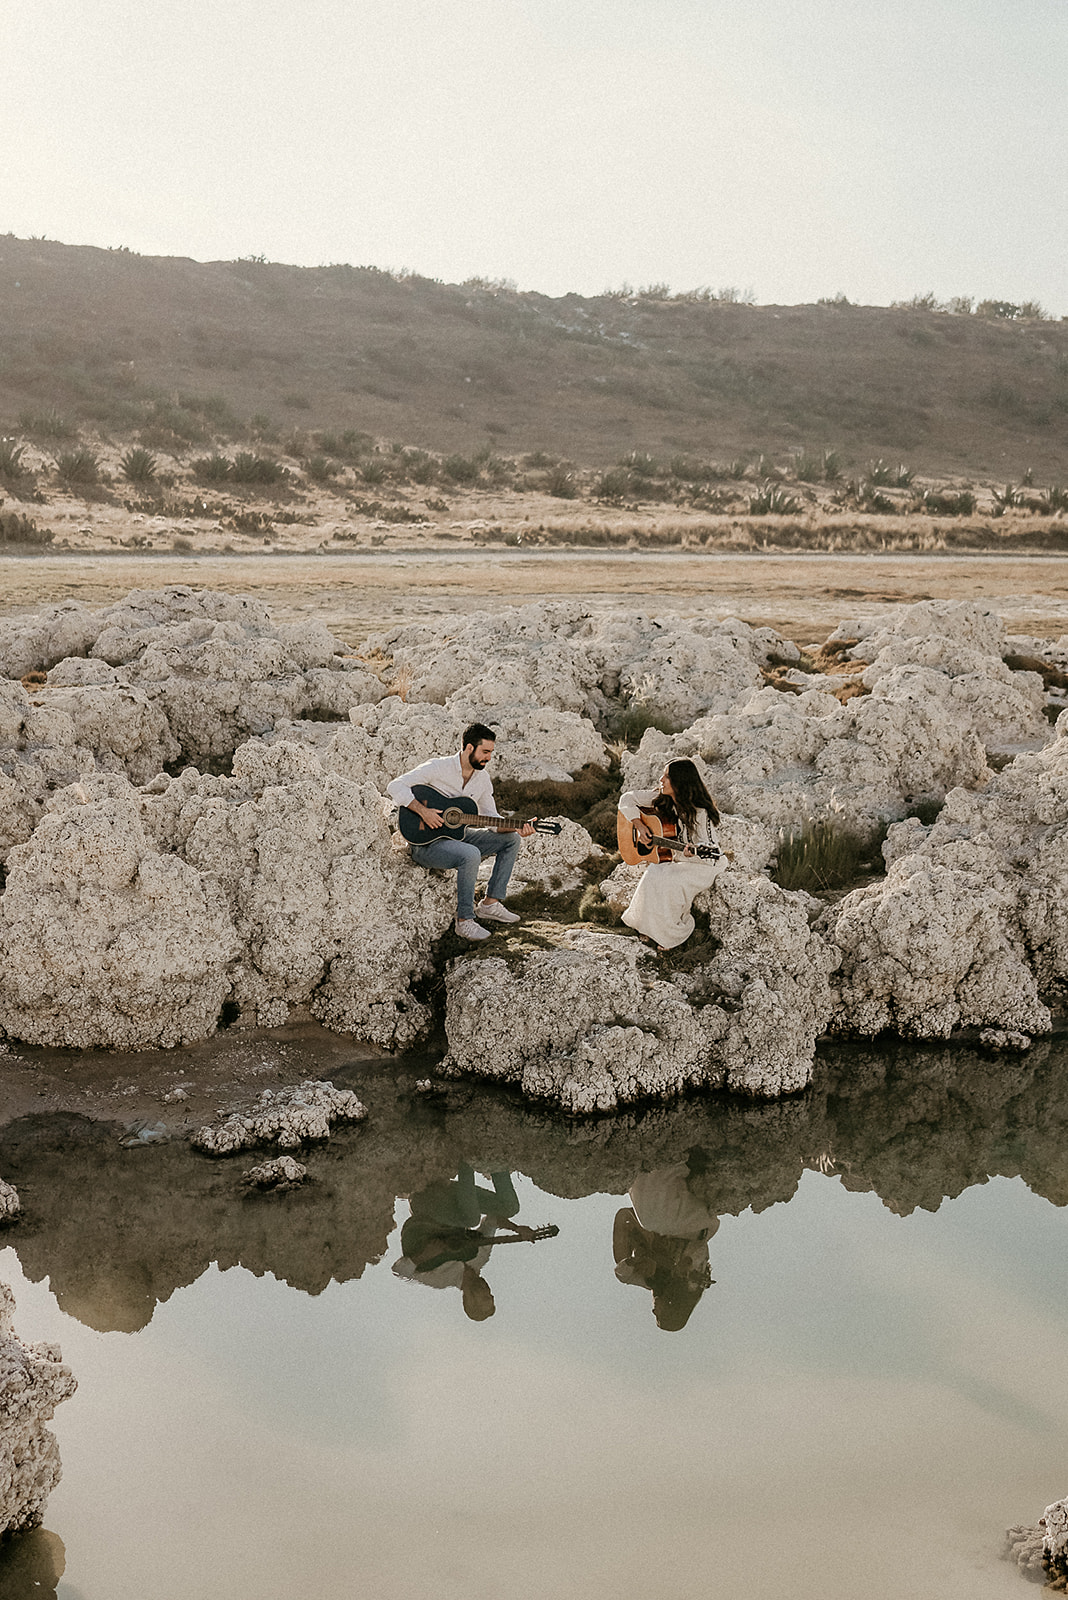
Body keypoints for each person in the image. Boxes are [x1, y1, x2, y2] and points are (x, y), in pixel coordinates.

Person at [387, 721, 536, 941]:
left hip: (457, 836)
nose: (489, 757)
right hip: (424, 843)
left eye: (491, 752)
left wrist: (517, 826)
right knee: (470, 854)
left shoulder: (482, 779)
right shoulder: (438, 767)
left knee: (511, 839)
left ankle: (490, 904)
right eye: (485, 751)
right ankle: (464, 921)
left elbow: (492, 820)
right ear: (468, 748)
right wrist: (424, 811)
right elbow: (395, 786)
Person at [617, 758, 725, 951]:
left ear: (679, 781)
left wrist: (693, 850)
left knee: (671, 883)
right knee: (653, 875)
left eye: (666, 776)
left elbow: (709, 846)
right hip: (679, 859)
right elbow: (626, 799)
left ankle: (672, 935)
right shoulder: (661, 798)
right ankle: (647, 927)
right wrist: (640, 826)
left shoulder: (700, 811)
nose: (661, 779)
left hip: (704, 863)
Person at [612, 1161, 718, 1332]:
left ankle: (654, 1163)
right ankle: (668, 1160)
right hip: (694, 1225)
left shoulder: (653, 1282)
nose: (653, 1310)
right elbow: (699, 1249)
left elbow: (622, 1275)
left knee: (648, 1220)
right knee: (651, 1218)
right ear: (671, 1308)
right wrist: (684, 1270)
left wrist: (634, 1262)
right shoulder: (690, 1285)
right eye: (658, 1314)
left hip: (673, 1225)